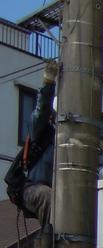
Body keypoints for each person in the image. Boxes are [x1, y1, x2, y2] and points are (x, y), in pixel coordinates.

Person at [20, 59, 59, 226]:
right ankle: (49, 243)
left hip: (58, 192)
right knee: (47, 196)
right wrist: (48, 83)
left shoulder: (66, 138)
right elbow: (41, 111)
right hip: (33, 188)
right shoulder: (40, 132)